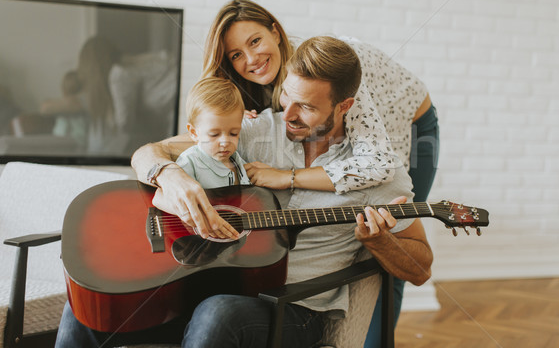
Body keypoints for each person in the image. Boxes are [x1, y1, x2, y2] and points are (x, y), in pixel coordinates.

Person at [55, 36, 433, 348]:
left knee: (218, 313)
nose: (288, 115)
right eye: (287, 95)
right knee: (92, 307)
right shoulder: (255, 130)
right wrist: (171, 175)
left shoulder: (380, 174)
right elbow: (146, 152)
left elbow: (420, 269)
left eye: (306, 107)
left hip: (296, 311)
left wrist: (381, 242)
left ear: (344, 106)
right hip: (214, 281)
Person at [176, 77, 250, 188]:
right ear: (194, 132)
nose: (225, 142)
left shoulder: (236, 160)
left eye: (233, 133)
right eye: (214, 134)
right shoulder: (189, 162)